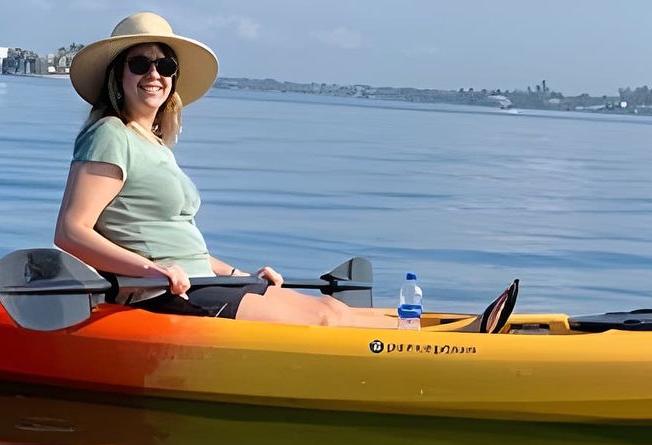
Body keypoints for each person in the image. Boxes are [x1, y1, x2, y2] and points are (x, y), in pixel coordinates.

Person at [55, 12, 397, 328]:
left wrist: (239, 274)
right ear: (118, 75)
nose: (154, 74)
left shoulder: (152, 143)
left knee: (337, 310)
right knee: (325, 319)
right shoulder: (110, 133)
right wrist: (152, 270)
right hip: (162, 293)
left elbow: (184, 248)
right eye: (140, 63)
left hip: (201, 280)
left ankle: (426, 338)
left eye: (165, 64)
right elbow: (72, 231)